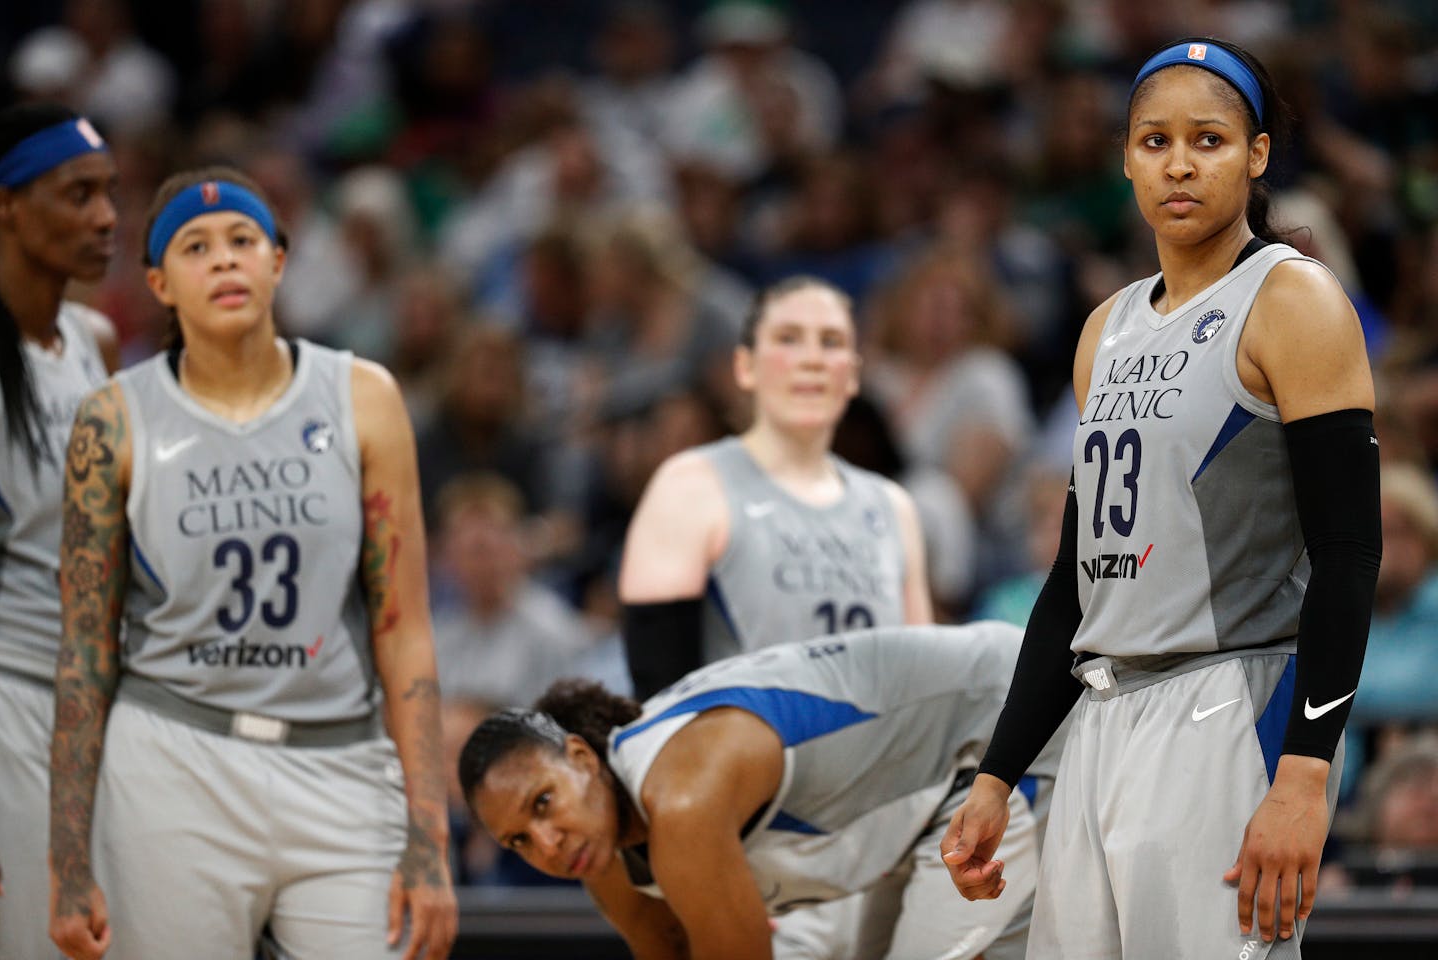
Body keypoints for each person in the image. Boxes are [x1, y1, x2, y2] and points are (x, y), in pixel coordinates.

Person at [940, 37, 1383, 958]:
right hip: (1101, 716)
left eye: (1210, 140)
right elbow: (1075, 575)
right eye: (1154, 141)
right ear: (1127, 157)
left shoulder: (1293, 299)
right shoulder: (1108, 325)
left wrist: (1306, 769)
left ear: (1258, 154)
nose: (1179, 163)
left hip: (1226, 707)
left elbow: (1349, 551)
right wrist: (999, 772)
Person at [46, 167, 457, 960]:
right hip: (174, 761)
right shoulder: (113, 421)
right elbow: (85, 651)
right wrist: (66, 857)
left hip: (340, 760)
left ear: (278, 259)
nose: (225, 261)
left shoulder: (363, 396)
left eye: (243, 241)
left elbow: (404, 632)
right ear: (161, 283)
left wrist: (428, 836)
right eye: (196, 248)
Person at [461, 621, 1060, 960]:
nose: (547, 843)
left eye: (543, 803)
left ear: (581, 758)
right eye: (518, 840)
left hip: (1012, 725)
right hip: (919, 793)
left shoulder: (683, 797)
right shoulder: (598, 847)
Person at [619, 275, 930, 701]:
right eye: (789, 339)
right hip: (747, 759)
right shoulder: (690, 485)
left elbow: (926, 684)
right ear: (745, 366)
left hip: (876, 761)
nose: (812, 360)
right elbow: (659, 695)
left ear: (854, 374)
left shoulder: (894, 508)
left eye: (832, 342)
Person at [0, 102, 119, 960]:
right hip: (11, 702)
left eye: (108, 193)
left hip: (99, 711)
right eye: (78, 195)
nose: (107, 217)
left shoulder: (92, 339)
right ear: (7, 204)